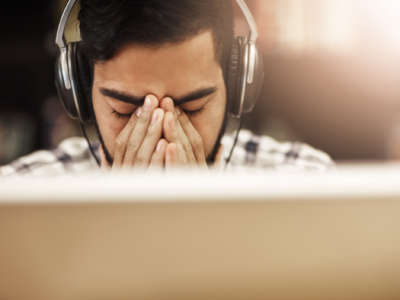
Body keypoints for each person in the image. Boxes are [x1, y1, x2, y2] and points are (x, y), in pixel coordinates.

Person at [0, 0, 332, 177]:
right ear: (79, 90)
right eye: (126, 110)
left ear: (237, 82)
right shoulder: (21, 191)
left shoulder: (306, 177)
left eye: (192, 107)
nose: (162, 135)